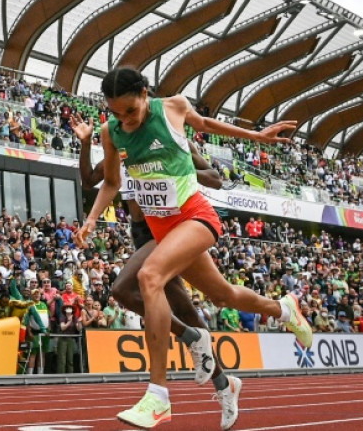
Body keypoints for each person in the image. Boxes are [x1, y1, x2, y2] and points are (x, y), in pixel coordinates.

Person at [75, 67, 311, 430]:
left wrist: (257, 136)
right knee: (223, 295)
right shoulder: (111, 132)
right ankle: (284, 309)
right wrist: (91, 219)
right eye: (117, 113)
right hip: (162, 229)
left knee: (149, 276)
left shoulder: (173, 108)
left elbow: (208, 125)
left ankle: (158, 396)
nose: (125, 120)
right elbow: (109, 181)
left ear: (145, 93)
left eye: (131, 112)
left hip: (195, 216)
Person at [72, 112, 244, 430]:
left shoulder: (172, 141)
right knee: (186, 312)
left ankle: (196, 349)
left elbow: (214, 178)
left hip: (171, 230)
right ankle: (223, 383)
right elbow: (87, 181)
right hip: (143, 234)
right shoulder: (120, 154)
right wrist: (84, 144)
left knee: (124, 290)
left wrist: (174, 162)